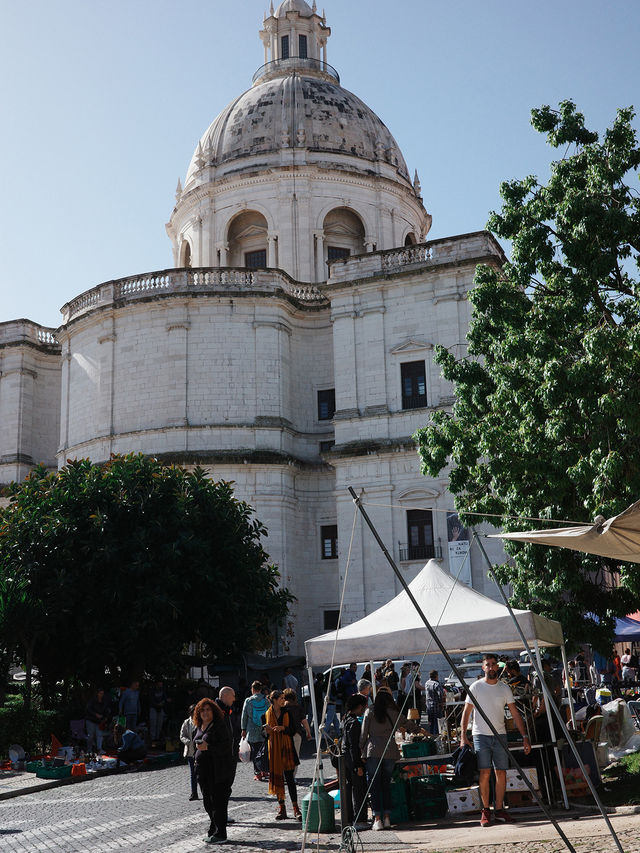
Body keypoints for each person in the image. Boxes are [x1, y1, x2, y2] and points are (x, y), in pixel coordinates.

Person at [460, 653, 531, 827]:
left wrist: (524, 737)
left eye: (493, 664)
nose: (491, 667)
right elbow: (466, 712)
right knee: (484, 772)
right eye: (488, 665)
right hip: (480, 735)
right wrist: (463, 735)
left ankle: (499, 809)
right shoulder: (476, 687)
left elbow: (515, 713)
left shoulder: (504, 688)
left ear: (498, 667)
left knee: (501, 772)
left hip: (500, 735)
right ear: (483, 667)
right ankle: (486, 810)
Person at [360, 687, 408, 831]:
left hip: (373, 750)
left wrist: (361, 751)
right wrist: (423, 730)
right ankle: (387, 818)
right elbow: (408, 724)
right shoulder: (394, 713)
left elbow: (363, 734)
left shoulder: (369, 711)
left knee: (374, 787)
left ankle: (377, 819)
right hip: (390, 751)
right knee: (386, 785)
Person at [193, 697, 235, 844]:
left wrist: (208, 747)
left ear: (213, 711)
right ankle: (213, 828)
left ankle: (221, 833)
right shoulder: (199, 726)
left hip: (218, 771)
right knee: (207, 802)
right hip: (203, 771)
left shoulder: (219, 725)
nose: (205, 712)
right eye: (202, 710)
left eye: (208, 709)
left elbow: (226, 746)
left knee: (218, 803)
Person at [264, 689, 301, 821]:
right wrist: (267, 731)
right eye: (280, 698)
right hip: (274, 750)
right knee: (277, 779)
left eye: (283, 698)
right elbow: (265, 734)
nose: (283, 700)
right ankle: (282, 808)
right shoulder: (267, 714)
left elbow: (293, 730)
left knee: (290, 780)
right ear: (274, 700)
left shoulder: (287, 712)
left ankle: (296, 809)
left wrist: (283, 728)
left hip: (287, 749)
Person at [340, 694, 368, 830]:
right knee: (359, 789)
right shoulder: (354, 723)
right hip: (352, 759)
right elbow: (354, 746)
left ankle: (351, 818)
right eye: (363, 706)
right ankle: (359, 819)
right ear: (358, 707)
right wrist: (358, 765)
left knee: (350, 788)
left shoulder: (345, 719)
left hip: (346, 758)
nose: (364, 709)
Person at [241, 680, 270, 780]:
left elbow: (244, 716)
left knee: (254, 751)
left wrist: (243, 729)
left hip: (252, 729)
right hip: (264, 728)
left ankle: (257, 773)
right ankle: (265, 771)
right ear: (261, 689)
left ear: (252, 689)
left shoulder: (248, 701)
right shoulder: (266, 700)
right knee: (264, 750)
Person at [283, 687, 311, 777]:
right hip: (296, 734)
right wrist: (308, 732)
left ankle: (284, 774)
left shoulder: (281, 708)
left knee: (284, 755)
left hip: (284, 734)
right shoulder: (298, 707)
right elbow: (304, 721)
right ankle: (292, 775)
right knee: (295, 756)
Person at [180, 703, 199, 801]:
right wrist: (187, 741)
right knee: (193, 773)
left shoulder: (201, 721)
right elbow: (182, 735)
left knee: (201, 773)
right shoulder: (186, 723)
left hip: (200, 751)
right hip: (190, 752)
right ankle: (194, 793)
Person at [85, 687, 111, 754]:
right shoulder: (92, 700)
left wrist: (106, 717)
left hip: (99, 721)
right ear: (97, 694)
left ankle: (99, 749)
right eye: (100, 693)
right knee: (90, 736)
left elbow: (107, 710)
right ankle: (89, 750)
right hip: (90, 719)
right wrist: (95, 714)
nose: (101, 695)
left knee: (99, 735)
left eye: (103, 693)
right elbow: (88, 709)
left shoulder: (104, 701)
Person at [149, 678, 170, 747]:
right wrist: (157, 704)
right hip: (153, 708)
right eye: (159, 683)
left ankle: (157, 739)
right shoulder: (152, 690)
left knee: (159, 724)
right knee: (153, 723)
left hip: (161, 708)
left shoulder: (163, 690)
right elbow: (151, 700)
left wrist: (163, 703)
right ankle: (153, 739)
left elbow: (165, 698)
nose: (160, 685)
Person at [423, 670, 445, 735]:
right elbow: (440, 694)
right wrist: (442, 703)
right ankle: (436, 737)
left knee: (431, 723)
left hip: (429, 706)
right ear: (436, 676)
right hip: (436, 706)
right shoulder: (436, 684)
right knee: (437, 723)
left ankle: (431, 736)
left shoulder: (427, 683)